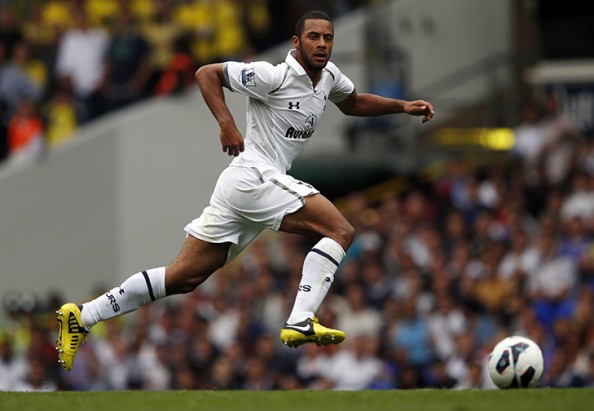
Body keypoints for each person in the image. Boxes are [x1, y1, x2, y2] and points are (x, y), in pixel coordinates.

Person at [56, 10, 434, 372]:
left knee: (182, 278)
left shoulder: (329, 77)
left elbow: (353, 103)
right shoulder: (273, 75)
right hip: (254, 176)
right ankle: (301, 319)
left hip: (246, 187)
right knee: (340, 230)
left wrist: (402, 106)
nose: (322, 44)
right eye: (313, 37)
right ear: (296, 42)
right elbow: (207, 74)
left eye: (328, 38)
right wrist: (227, 124)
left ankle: (84, 316)